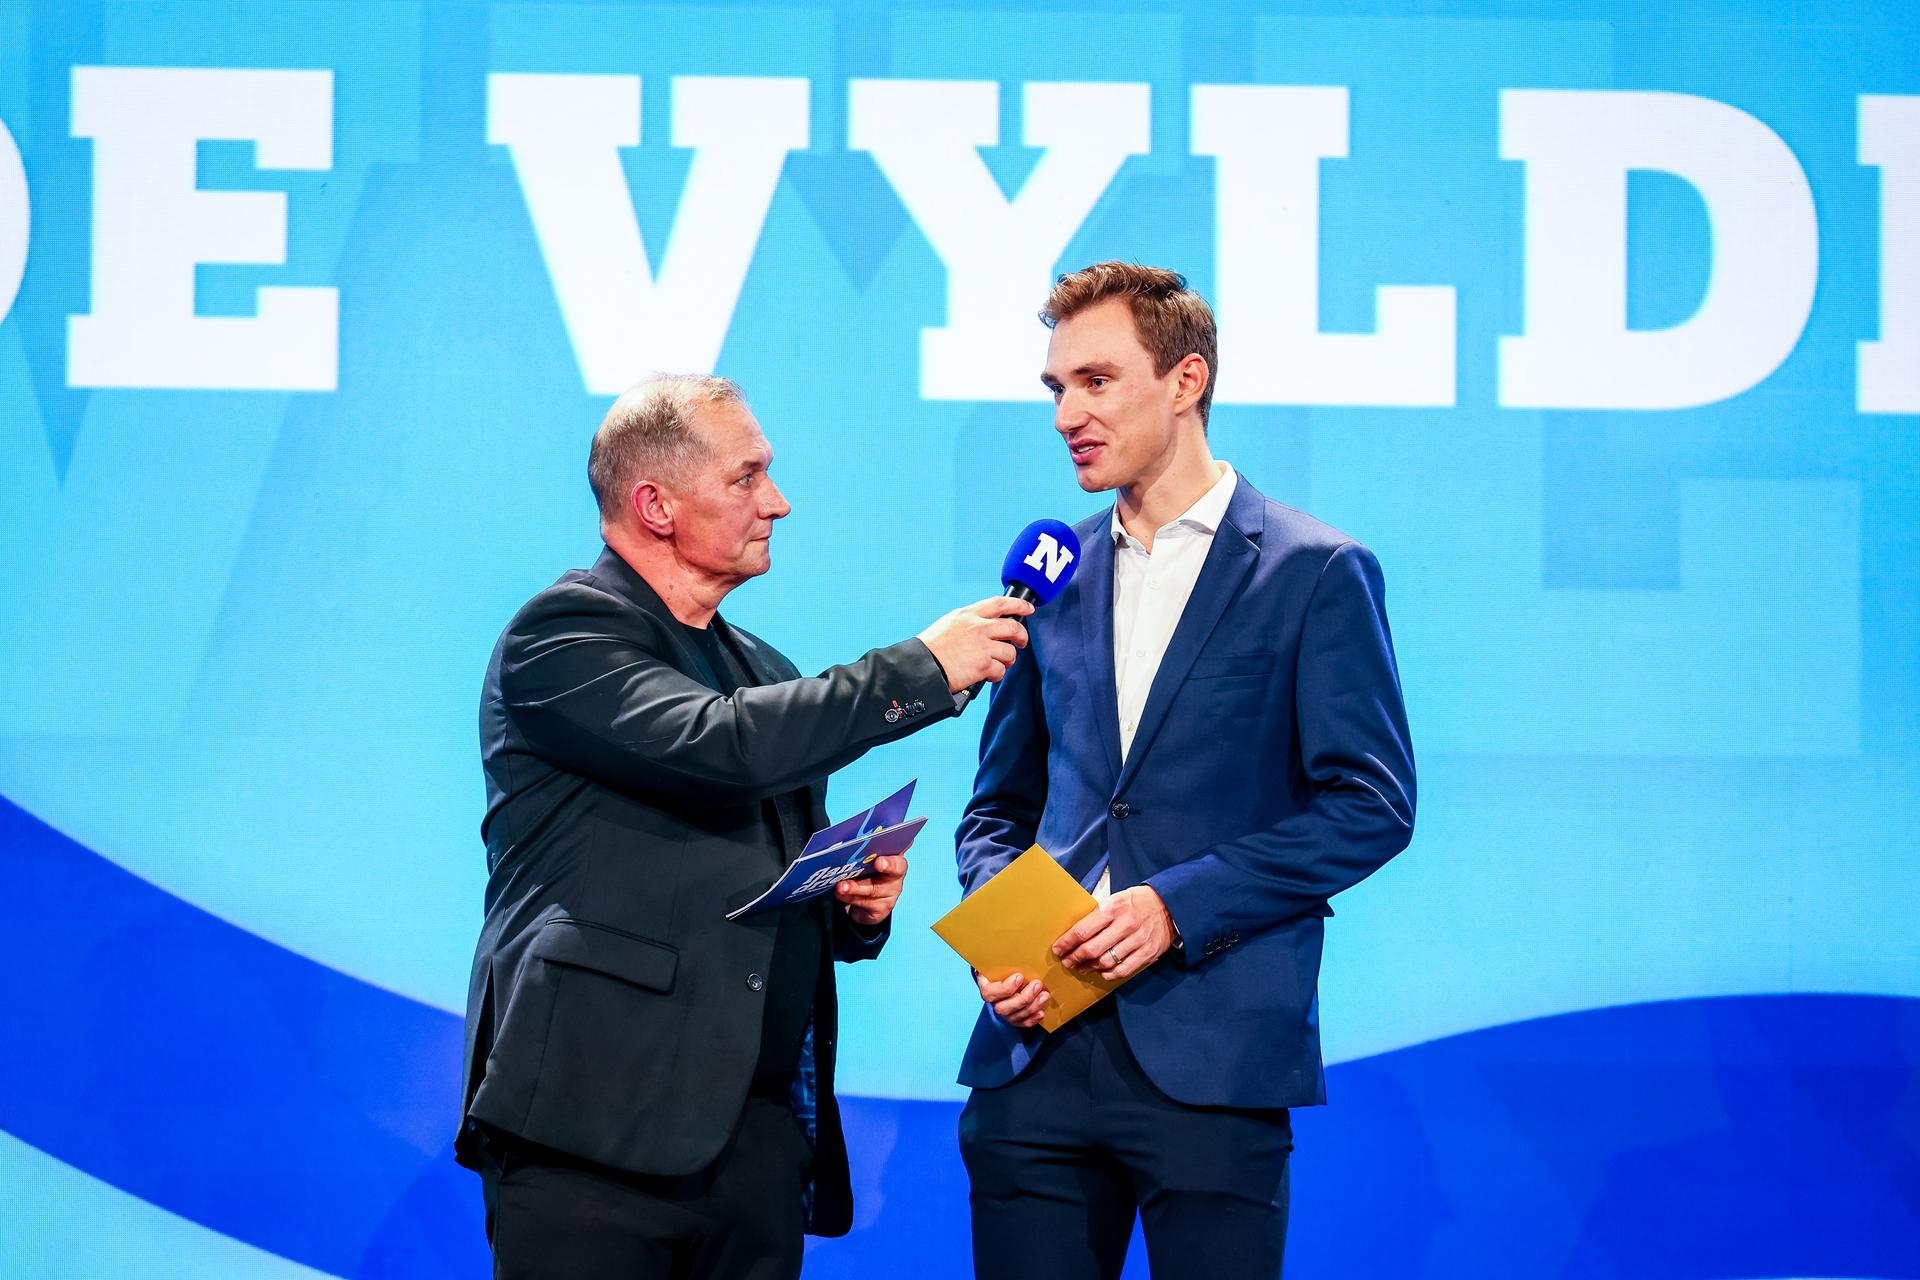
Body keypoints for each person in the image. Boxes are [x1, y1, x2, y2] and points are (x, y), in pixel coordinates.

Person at [457, 373, 1033, 1280]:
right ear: (655, 504)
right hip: (592, 1127)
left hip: (755, 1141)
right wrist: (923, 667)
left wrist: (847, 906)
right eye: (747, 477)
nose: (779, 502)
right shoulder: (561, 633)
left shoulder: (759, 662)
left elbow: (748, 856)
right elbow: (716, 748)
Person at [954, 263, 1417, 1279]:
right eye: (1056, 389)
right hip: (1035, 1063)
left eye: (1097, 380)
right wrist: (1002, 938)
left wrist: (1176, 903)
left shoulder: (1314, 570)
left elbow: (1371, 805)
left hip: (1214, 1056)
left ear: (1185, 379)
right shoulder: (1051, 572)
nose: (1069, 412)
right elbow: (997, 807)